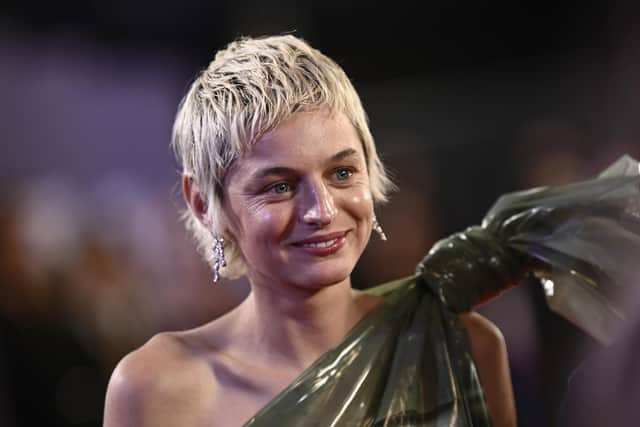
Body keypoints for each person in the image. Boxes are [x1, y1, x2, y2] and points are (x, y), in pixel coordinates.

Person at [103, 34, 516, 426]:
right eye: (279, 186)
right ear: (202, 204)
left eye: (341, 173)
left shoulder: (459, 348)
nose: (321, 210)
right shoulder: (157, 388)